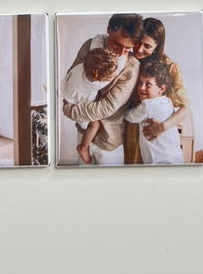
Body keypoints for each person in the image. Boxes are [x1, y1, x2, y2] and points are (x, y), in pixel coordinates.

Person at [62, 14, 143, 165]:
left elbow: (107, 107)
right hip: (84, 129)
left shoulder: (130, 68)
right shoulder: (90, 47)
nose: (121, 53)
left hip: (108, 139)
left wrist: (70, 110)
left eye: (128, 48)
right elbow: (72, 77)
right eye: (117, 44)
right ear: (108, 30)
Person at [124, 17, 192, 164]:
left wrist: (163, 126)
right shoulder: (127, 60)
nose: (139, 49)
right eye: (138, 43)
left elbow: (186, 108)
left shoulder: (170, 68)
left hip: (155, 135)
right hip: (131, 132)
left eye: (147, 46)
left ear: (157, 46)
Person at [60, 47, 122, 164]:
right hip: (74, 101)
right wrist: (123, 58)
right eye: (113, 76)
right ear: (100, 80)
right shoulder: (96, 84)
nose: (116, 74)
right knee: (94, 125)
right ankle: (83, 147)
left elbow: (98, 47)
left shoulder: (88, 64)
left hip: (68, 87)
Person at [125, 60, 184, 165]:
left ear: (161, 89)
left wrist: (123, 109)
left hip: (159, 162)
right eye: (140, 82)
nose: (142, 88)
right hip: (175, 157)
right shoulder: (168, 101)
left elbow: (130, 116)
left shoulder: (148, 105)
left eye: (148, 84)